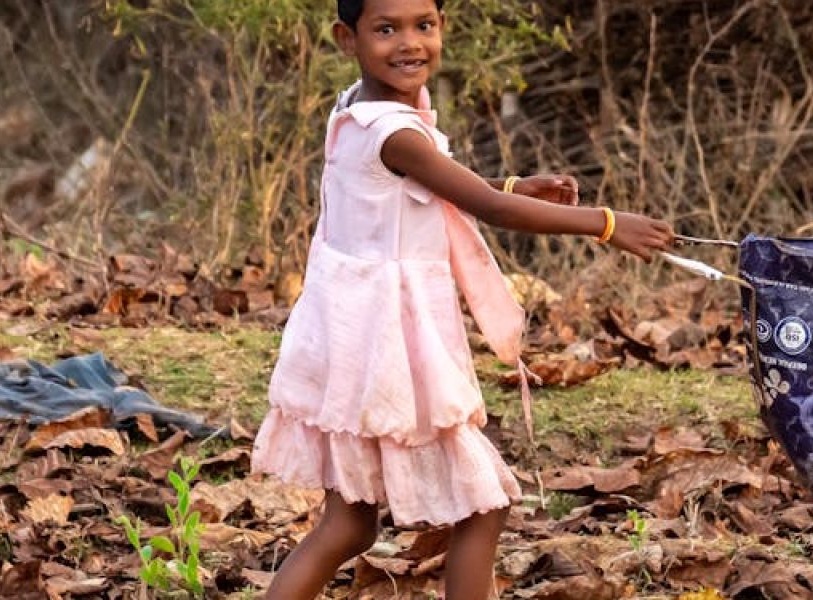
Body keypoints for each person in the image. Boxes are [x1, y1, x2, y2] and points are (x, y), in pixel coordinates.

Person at [250, 0, 676, 597]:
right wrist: (604, 223)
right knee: (484, 502)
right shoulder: (393, 130)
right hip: (390, 352)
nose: (409, 43)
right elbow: (484, 206)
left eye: (423, 25)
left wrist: (509, 185)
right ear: (347, 38)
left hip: (351, 342)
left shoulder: (359, 110)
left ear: (442, 28)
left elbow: (432, 185)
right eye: (386, 29)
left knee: (348, 526)